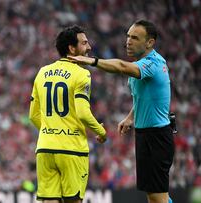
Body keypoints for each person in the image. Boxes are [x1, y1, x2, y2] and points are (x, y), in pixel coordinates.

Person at [68, 20, 174, 203]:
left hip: (157, 136)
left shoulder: (153, 63)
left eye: (135, 38)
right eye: (128, 37)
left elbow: (122, 67)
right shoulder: (141, 64)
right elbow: (143, 97)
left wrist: (93, 61)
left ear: (150, 42)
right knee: (153, 194)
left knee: (157, 197)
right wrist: (130, 117)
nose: (128, 42)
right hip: (145, 134)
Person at [29, 25, 107, 203]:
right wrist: (101, 132)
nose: (89, 47)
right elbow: (83, 113)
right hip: (72, 149)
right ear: (72, 48)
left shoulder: (42, 73)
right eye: (84, 43)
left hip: (45, 148)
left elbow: (33, 116)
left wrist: (53, 130)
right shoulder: (82, 74)